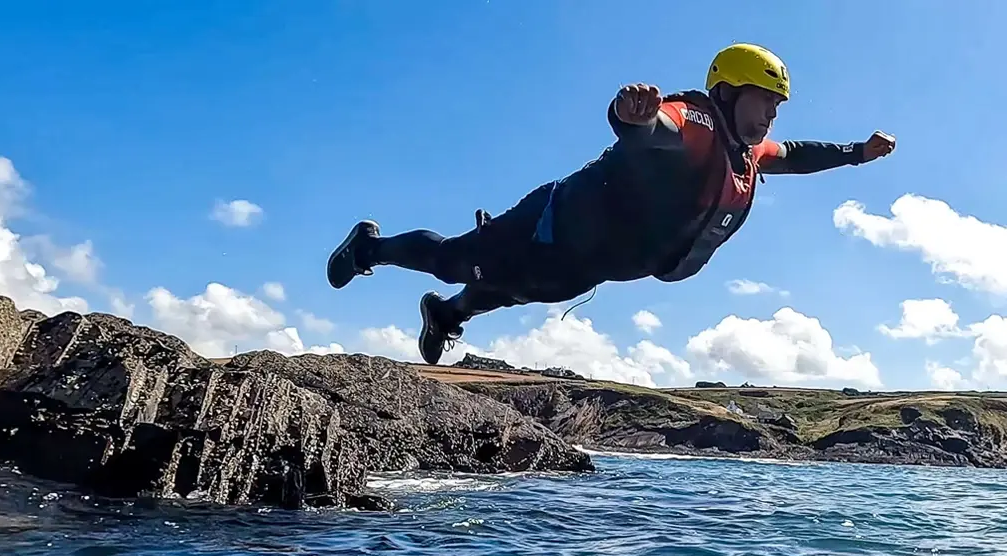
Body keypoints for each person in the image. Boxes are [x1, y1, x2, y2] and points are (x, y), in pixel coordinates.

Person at [326, 43, 897, 364]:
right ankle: (368, 247)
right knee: (458, 260)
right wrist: (636, 116)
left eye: (776, 107)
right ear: (725, 93)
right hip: (552, 222)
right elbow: (657, 128)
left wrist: (856, 153)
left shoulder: (745, 154)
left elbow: (795, 154)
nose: (769, 116)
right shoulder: (695, 121)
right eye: (761, 102)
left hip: (591, 261)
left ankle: (446, 314)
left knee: (516, 291)